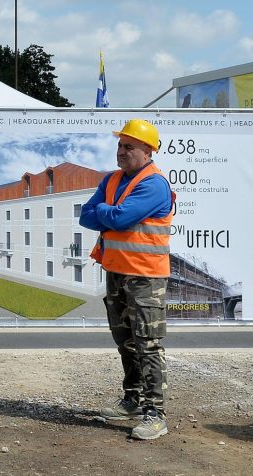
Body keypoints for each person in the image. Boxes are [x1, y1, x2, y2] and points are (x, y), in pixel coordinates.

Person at [80, 119, 174, 441]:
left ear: (147, 150)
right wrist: (111, 212)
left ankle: (156, 414)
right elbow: (85, 216)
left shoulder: (154, 184)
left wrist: (106, 211)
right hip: (116, 273)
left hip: (146, 277)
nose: (120, 151)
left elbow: (118, 217)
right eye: (119, 145)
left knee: (148, 344)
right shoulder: (111, 179)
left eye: (128, 146)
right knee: (125, 342)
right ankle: (133, 400)